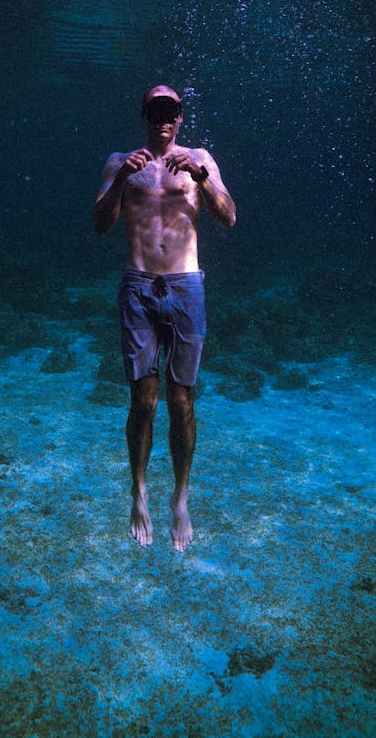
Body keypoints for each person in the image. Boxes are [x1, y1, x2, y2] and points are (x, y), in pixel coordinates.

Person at [92, 85, 236, 551]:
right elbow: (99, 225)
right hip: (137, 285)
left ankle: (180, 496)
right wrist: (118, 182)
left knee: (182, 402)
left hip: (185, 285)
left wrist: (202, 177)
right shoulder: (120, 162)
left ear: (180, 115)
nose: (163, 119)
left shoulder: (199, 157)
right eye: (155, 111)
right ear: (143, 115)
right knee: (143, 402)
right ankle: (139, 491)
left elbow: (229, 217)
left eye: (170, 110)